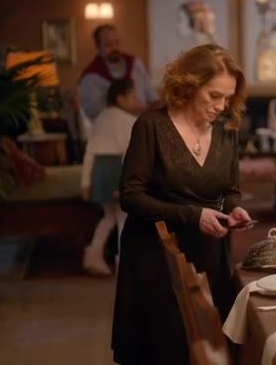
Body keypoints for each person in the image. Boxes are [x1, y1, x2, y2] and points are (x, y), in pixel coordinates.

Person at [112, 44, 252, 365]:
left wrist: (234, 208)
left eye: (228, 98)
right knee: (165, 351)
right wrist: (192, 215)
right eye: (214, 95)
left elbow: (230, 190)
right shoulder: (151, 126)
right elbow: (131, 196)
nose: (221, 106)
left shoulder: (226, 132)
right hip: (155, 255)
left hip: (209, 255)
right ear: (189, 85)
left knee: (210, 351)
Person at [80, 79, 138, 275]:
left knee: (109, 216)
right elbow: (129, 153)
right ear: (121, 98)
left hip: (100, 172)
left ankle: (93, 254)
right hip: (117, 171)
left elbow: (89, 152)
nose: (136, 100)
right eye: (132, 96)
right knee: (124, 218)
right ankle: (124, 263)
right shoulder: (127, 121)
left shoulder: (100, 119)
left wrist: (86, 182)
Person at [79, 24, 161, 121]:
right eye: (108, 44)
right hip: (112, 127)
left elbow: (154, 100)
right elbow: (93, 114)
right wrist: (126, 109)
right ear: (98, 47)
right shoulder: (90, 77)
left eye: (117, 42)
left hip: (143, 123)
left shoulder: (135, 64)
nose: (114, 48)